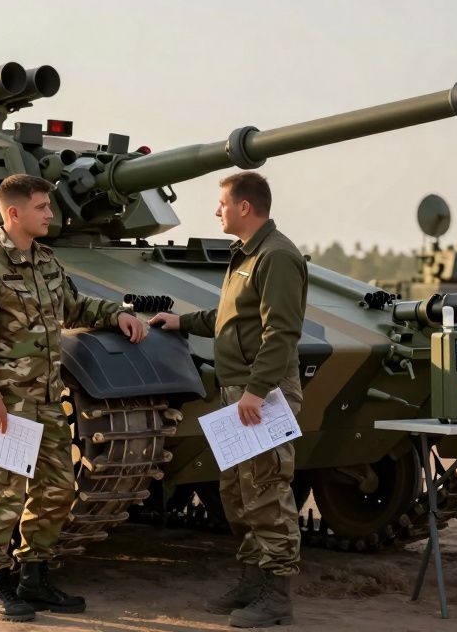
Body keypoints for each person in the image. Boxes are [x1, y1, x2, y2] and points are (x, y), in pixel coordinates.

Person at [0, 173, 148, 622]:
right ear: (13, 212)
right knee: (3, 493)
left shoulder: (45, 261)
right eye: (41, 207)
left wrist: (116, 314)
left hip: (46, 399)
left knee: (58, 489)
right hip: (7, 403)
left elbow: (73, 307)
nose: (49, 214)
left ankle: (34, 577)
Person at [149, 171, 306, 628]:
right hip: (239, 391)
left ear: (244, 207)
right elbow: (232, 317)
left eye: (221, 203)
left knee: (266, 491)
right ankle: (253, 581)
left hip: (262, 392)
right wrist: (183, 322)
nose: (216, 210)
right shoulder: (247, 254)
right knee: (237, 493)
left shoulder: (276, 256)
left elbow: (282, 332)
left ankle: (277, 595)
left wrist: (257, 390)